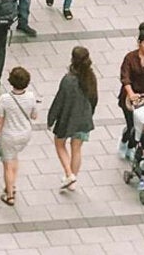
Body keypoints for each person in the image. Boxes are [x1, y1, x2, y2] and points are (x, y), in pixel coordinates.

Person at [47, 46, 97, 191]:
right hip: (84, 119)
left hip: (67, 119)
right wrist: (90, 114)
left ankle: (69, 174)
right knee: (76, 149)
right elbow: (94, 98)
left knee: (59, 143)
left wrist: (51, 118)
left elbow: (59, 101)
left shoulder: (68, 80)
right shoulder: (91, 77)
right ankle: (72, 180)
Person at [0, 66, 38, 206]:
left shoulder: (5, 99)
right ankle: (12, 184)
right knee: (14, 158)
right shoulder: (31, 96)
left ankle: (9, 194)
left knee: (7, 165)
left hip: (9, 136)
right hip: (25, 134)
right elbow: (34, 116)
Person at [117, 22, 144, 154]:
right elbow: (125, 77)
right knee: (132, 125)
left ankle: (133, 147)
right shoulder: (130, 58)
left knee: (142, 125)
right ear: (139, 43)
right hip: (129, 97)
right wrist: (130, 93)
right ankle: (126, 142)